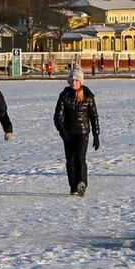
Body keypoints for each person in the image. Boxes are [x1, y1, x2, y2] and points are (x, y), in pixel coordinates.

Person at [52, 68, 100, 196]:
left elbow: (93, 116)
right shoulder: (64, 96)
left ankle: (82, 183)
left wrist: (96, 134)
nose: (74, 82)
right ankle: (73, 186)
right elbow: (58, 116)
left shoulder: (88, 96)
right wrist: (62, 131)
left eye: (76, 80)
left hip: (82, 133)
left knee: (80, 158)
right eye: (72, 80)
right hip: (69, 134)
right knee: (70, 160)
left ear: (81, 82)